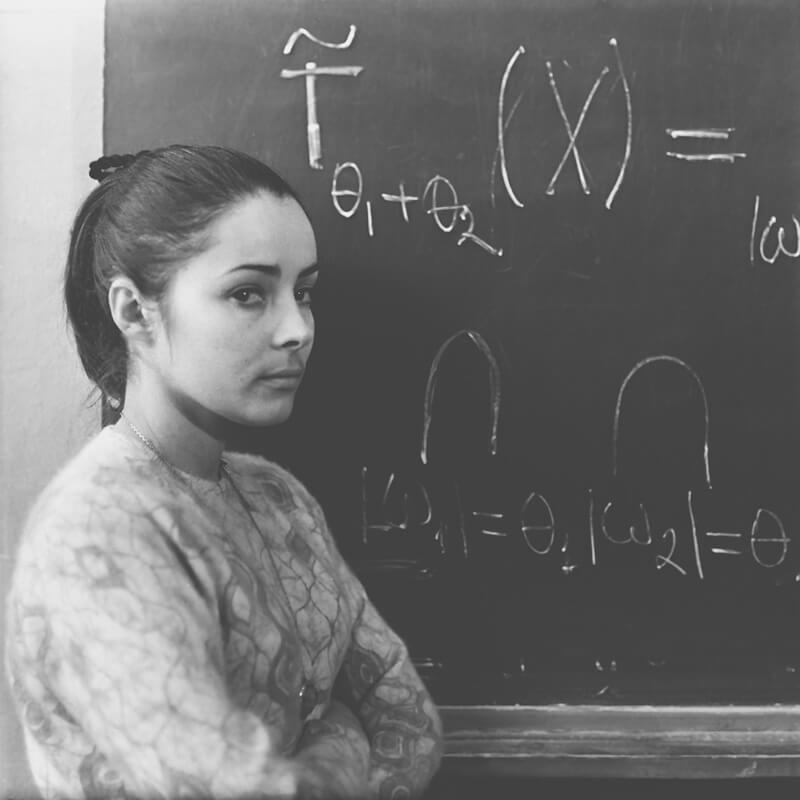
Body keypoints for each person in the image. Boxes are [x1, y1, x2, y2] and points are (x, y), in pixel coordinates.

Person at [5, 145, 443, 799]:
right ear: (134, 312)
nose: (297, 329)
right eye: (248, 293)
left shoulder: (277, 498)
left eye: (304, 293)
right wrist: (343, 733)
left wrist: (311, 762)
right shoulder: (99, 529)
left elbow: (411, 724)